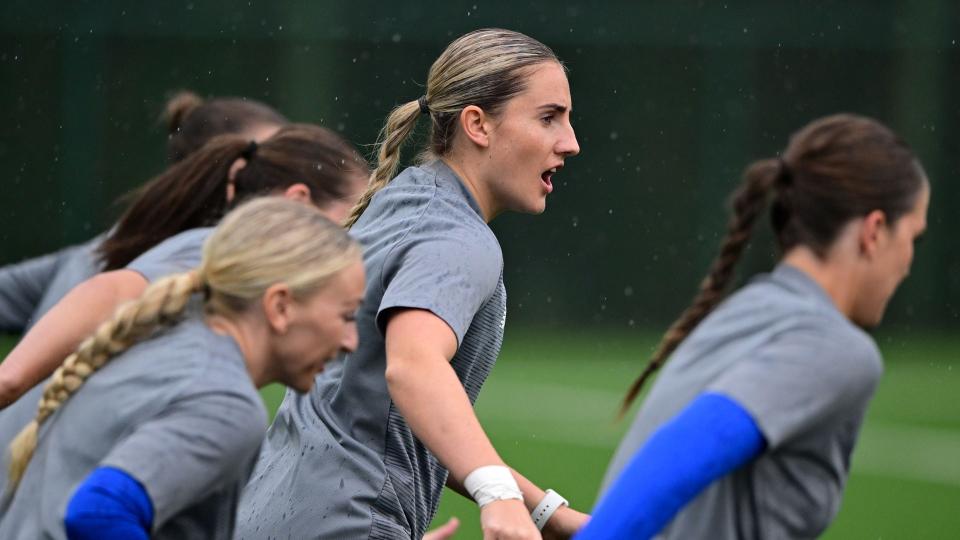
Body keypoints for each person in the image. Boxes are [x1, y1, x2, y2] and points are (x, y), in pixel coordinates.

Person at [237, 28, 586, 540]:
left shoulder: (403, 202)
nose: (570, 142)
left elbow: (392, 417)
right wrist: (497, 497)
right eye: (549, 117)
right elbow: (414, 366)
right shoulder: (457, 235)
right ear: (477, 125)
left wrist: (548, 515)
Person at [575, 114, 930, 540]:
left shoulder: (745, 310)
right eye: (913, 237)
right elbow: (694, 442)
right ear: (874, 232)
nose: (909, 262)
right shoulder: (837, 347)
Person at [0, 124, 368, 491]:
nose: (359, 240)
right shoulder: (209, 252)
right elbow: (109, 291)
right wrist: (10, 380)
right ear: (298, 204)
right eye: (354, 220)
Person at [0, 198, 365, 540]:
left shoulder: (158, 340)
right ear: (280, 307)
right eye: (346, 316)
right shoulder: (226, 405)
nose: (351, 341)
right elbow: (99, 513)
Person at [0, 90, 289, 376]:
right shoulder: (192, 268)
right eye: (267, 160)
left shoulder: (104, 248)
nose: (289, 167)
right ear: (228, 171)